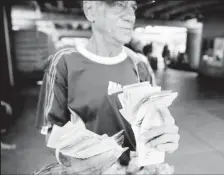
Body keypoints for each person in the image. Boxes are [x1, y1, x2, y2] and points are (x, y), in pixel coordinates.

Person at [36, 0, 179, 173]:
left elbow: (154, 122)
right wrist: (83, 159)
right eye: (118, 4)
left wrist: (164, 138)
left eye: (133, 7)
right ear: (90, 10)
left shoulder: (139, 64)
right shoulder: (64, 62)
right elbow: (51, 134)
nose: (130, 16)